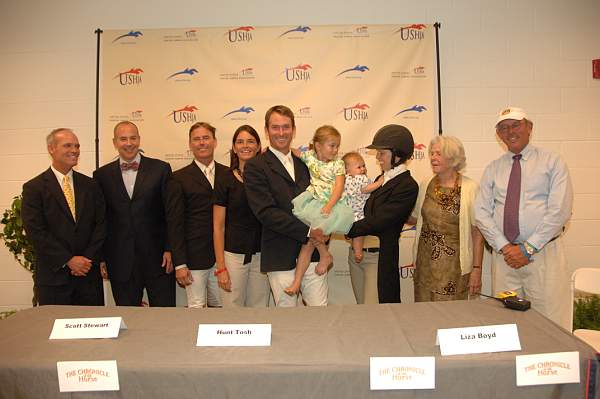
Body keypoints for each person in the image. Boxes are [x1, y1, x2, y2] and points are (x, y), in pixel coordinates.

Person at [475, 106, 573, 330]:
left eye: (515, 125)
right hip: (505, 258)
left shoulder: (552, 162)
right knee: (506, 322)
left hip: (543, 254)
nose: (510, 131)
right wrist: (504, 247)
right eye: (503, 127)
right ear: (498, 134)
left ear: (529, 127)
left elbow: (560, 211)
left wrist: (528, 248)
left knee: (550, 321)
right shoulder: (493, 169)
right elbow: (481, 213)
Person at [244, 105, 327, 307]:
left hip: (314, 253)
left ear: (293, 129)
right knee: (288, 320)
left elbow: (324, 197)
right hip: (280, 254)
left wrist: (324, 227)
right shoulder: (256, 166)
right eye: (275, 127)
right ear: (266, 131)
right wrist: (309, 231)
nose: (281, 133)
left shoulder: (307, 162)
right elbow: (266, 212)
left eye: (286, 127)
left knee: (321, 316)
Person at [93, 121, 175, 307]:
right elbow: (100, 220)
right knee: (128, 318)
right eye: (123, 139)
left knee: (165, 316)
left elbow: (171, 213)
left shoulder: (161, 169)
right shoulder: (101, 176)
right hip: (120, 261)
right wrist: (102, 258)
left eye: (133, 138)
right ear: (115, 142)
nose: (129, 143)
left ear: (139, 140)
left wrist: (170, 249)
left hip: (159, 260)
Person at [21, 128, 105, 305]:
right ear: (51, 149)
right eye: (68, 145)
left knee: (92, 331)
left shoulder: (91, 185)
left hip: (88, 278)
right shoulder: (34, 188)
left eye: (77, 146)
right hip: (53, 279)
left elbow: (101, 225)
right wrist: (68, 260)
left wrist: (86, 260)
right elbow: (35, 231)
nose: (74, 150)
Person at [347, 124, 418, 303]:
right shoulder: (379, 179)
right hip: (357, 254)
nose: (377, 157)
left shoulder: (407, 186)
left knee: (376, 314)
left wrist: (345, 227)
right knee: (362, 310)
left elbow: (380, 221)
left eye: (382, 153)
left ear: (398, 155)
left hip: (379, 257)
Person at [408, 135, 484, 302]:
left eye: (439, 154)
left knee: (451, 317)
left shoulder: (471, 188)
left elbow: (477, 232)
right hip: (424, 264)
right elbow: (415, 219)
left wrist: (476, 269)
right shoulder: (426, 183)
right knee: (424, 314)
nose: (433, 157)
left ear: (453, 158)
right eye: (432, 153)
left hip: (454, 268)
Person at [285, 125, 355, 295]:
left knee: (308, 244)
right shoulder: (310, 158)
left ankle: (298, 280)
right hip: (313, 202)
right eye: (332, 145)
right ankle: (323, 256)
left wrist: (329, 206)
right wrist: (270, 149)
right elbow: (295, 152)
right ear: (318, 145)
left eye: (337, 146)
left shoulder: (338, 164)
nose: (336, 149)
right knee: (309, 240)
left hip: (330, 205)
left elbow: (339, 187)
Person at [167, 122, 227, 308]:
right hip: (194, 258)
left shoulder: (229, 174)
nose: (202, 143)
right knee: (197, 307)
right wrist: (180, 264)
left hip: (224, 257)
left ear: (215, 142)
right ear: (190, 144)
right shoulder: (178, 178)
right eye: (197, 139)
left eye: (206, 138)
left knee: (224, 308)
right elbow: (174, 223)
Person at [213, 125, 270, 307]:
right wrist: (221, 267)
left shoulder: (268, 178)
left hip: (262, 255)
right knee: (232, 308)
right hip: (233, 256)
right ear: (234, 148)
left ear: (259, 146)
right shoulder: (224, 178)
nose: (245, 146)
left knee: (259, 309)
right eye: (240, 141)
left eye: (251, 141)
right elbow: (218, 226)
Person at [342, 152, 383, 264]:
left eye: (363, 166)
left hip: (348, 213)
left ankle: (357, 251)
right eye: (359, 167)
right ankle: (358, 252)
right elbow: (365, 189)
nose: (363, 169)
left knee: (356, 233)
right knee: (358, 234)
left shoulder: (346, 179)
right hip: (357, 212)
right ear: (347, 170)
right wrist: (379, 183)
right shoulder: (359, 179)